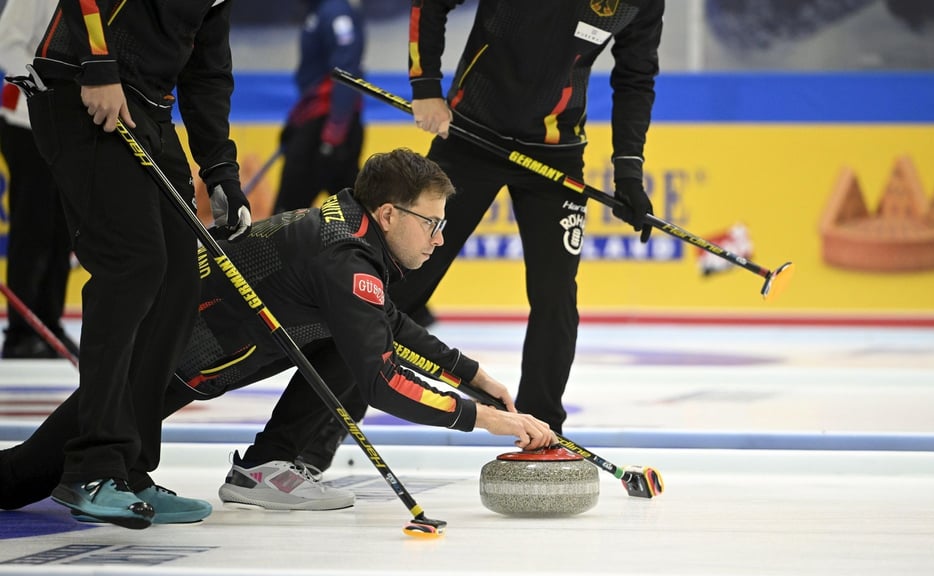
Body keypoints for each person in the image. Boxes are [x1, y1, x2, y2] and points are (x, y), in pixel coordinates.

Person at [0, 148, 556, 514]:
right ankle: (268, 467)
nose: (438, 239)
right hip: (162, 358)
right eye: (431, 223)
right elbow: (382, 382)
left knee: (355, 340)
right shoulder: (345, 260)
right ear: (389, 216)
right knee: (24, 476)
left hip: (188, 356)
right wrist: (488, 420)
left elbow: (381, 321)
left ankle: (272, 464)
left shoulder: (351, 237)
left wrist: (473, 375)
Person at [8, 0, 253, 529]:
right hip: (81, 88)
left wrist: (220, 169)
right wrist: (97, 64)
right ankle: (93, 467)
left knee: (179, 285)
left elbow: (209, 70)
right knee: (133, 265)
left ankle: (130, 469)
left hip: (149, 106)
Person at [395, 0, 663, 432]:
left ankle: (542, 430)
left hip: (555, 154)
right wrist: (426, 85)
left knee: (556, 297)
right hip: (470, 137)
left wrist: (628, 170)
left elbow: (636, 75)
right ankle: (309, 436)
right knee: (403, 285)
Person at [0, 0, 78, 360]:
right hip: (26, 120)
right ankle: (21, 328)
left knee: (64, 226)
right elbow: (7, 42)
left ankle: (49, 321)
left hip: (70, 123)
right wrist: (44, 88)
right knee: (33, 224)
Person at [273, 0, 366, 213]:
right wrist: (295, 123)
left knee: (284, 218)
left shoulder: (337, 12)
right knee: (354, 214)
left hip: (327, 125)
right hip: (315, 121)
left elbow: (346, 73)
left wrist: (334, 132)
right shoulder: (318, 11)